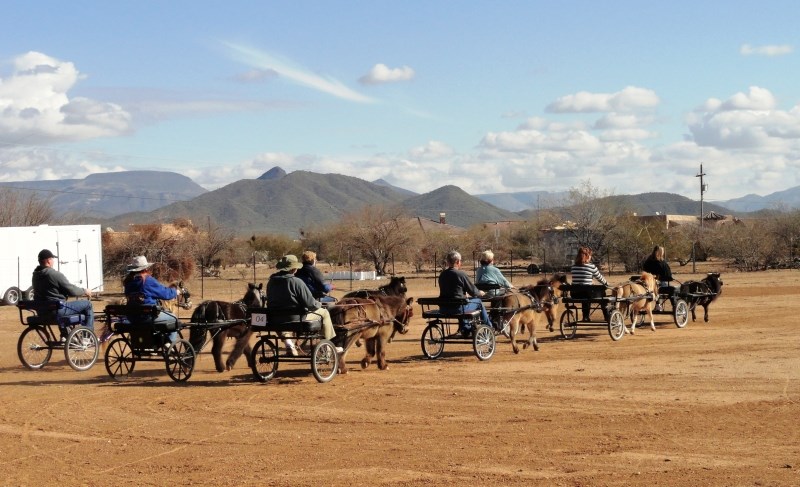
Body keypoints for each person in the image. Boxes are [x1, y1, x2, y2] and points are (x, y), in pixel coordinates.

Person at [267, 254, 341, 354]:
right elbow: (310, 304)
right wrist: (319, 305)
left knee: (282, 320)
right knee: (324, 313)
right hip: (296, 318)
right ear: (293, 269)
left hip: (275, 318)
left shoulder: (271, 281)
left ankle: (289, 344)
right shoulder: (296, 282)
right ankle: (328, 345)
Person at [32, 248, 94, 337]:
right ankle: (88, 337)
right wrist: (85, 291)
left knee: (60, 304)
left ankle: (65, 336)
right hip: (56, 311)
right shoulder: (54, 274)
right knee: (88, 305)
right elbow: (71, 289)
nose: (53, 261)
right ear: (49, 261)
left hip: (42, 312)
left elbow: (50, 290)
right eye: (52, 259)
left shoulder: (35, 275)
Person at [122, 255, 180, 345]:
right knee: (174, 319)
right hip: (148, 317)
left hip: (132, 318)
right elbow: (165, 294)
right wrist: (175, 292)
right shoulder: (147, 280)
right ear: (145, 268)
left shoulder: (128, 282)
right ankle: (169, 344)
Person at [439, 250, 495, 337]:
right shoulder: (461, 274)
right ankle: (489, 326)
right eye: (460, 261)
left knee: (462, 302)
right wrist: (480, 293)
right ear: (457, 262)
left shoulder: (442, 275)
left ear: (448, 262)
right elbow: (473, 292)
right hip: (458, 308)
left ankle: (465, 328)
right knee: (478, 302)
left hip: (444, 308)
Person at [570, 246, 609, 322]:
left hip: (575, 294)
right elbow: (600, 278)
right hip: (587, 293)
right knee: (602, 292)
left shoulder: (573, 267)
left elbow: (578, 280)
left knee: (584, 291)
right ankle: (606, 316)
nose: (591, 257)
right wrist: (607, 283)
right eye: (590, 255)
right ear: (587, 256)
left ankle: (585, 317)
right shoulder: (591, 266)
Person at [642, 245, 674, 311]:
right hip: (659, 282)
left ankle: (657, 304)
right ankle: (674, 306)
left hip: (647, 282)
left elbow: (644, 270)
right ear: (661, 252)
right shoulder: (661, 262)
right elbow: (667, 274)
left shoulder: (648, 260)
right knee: (673, 290)